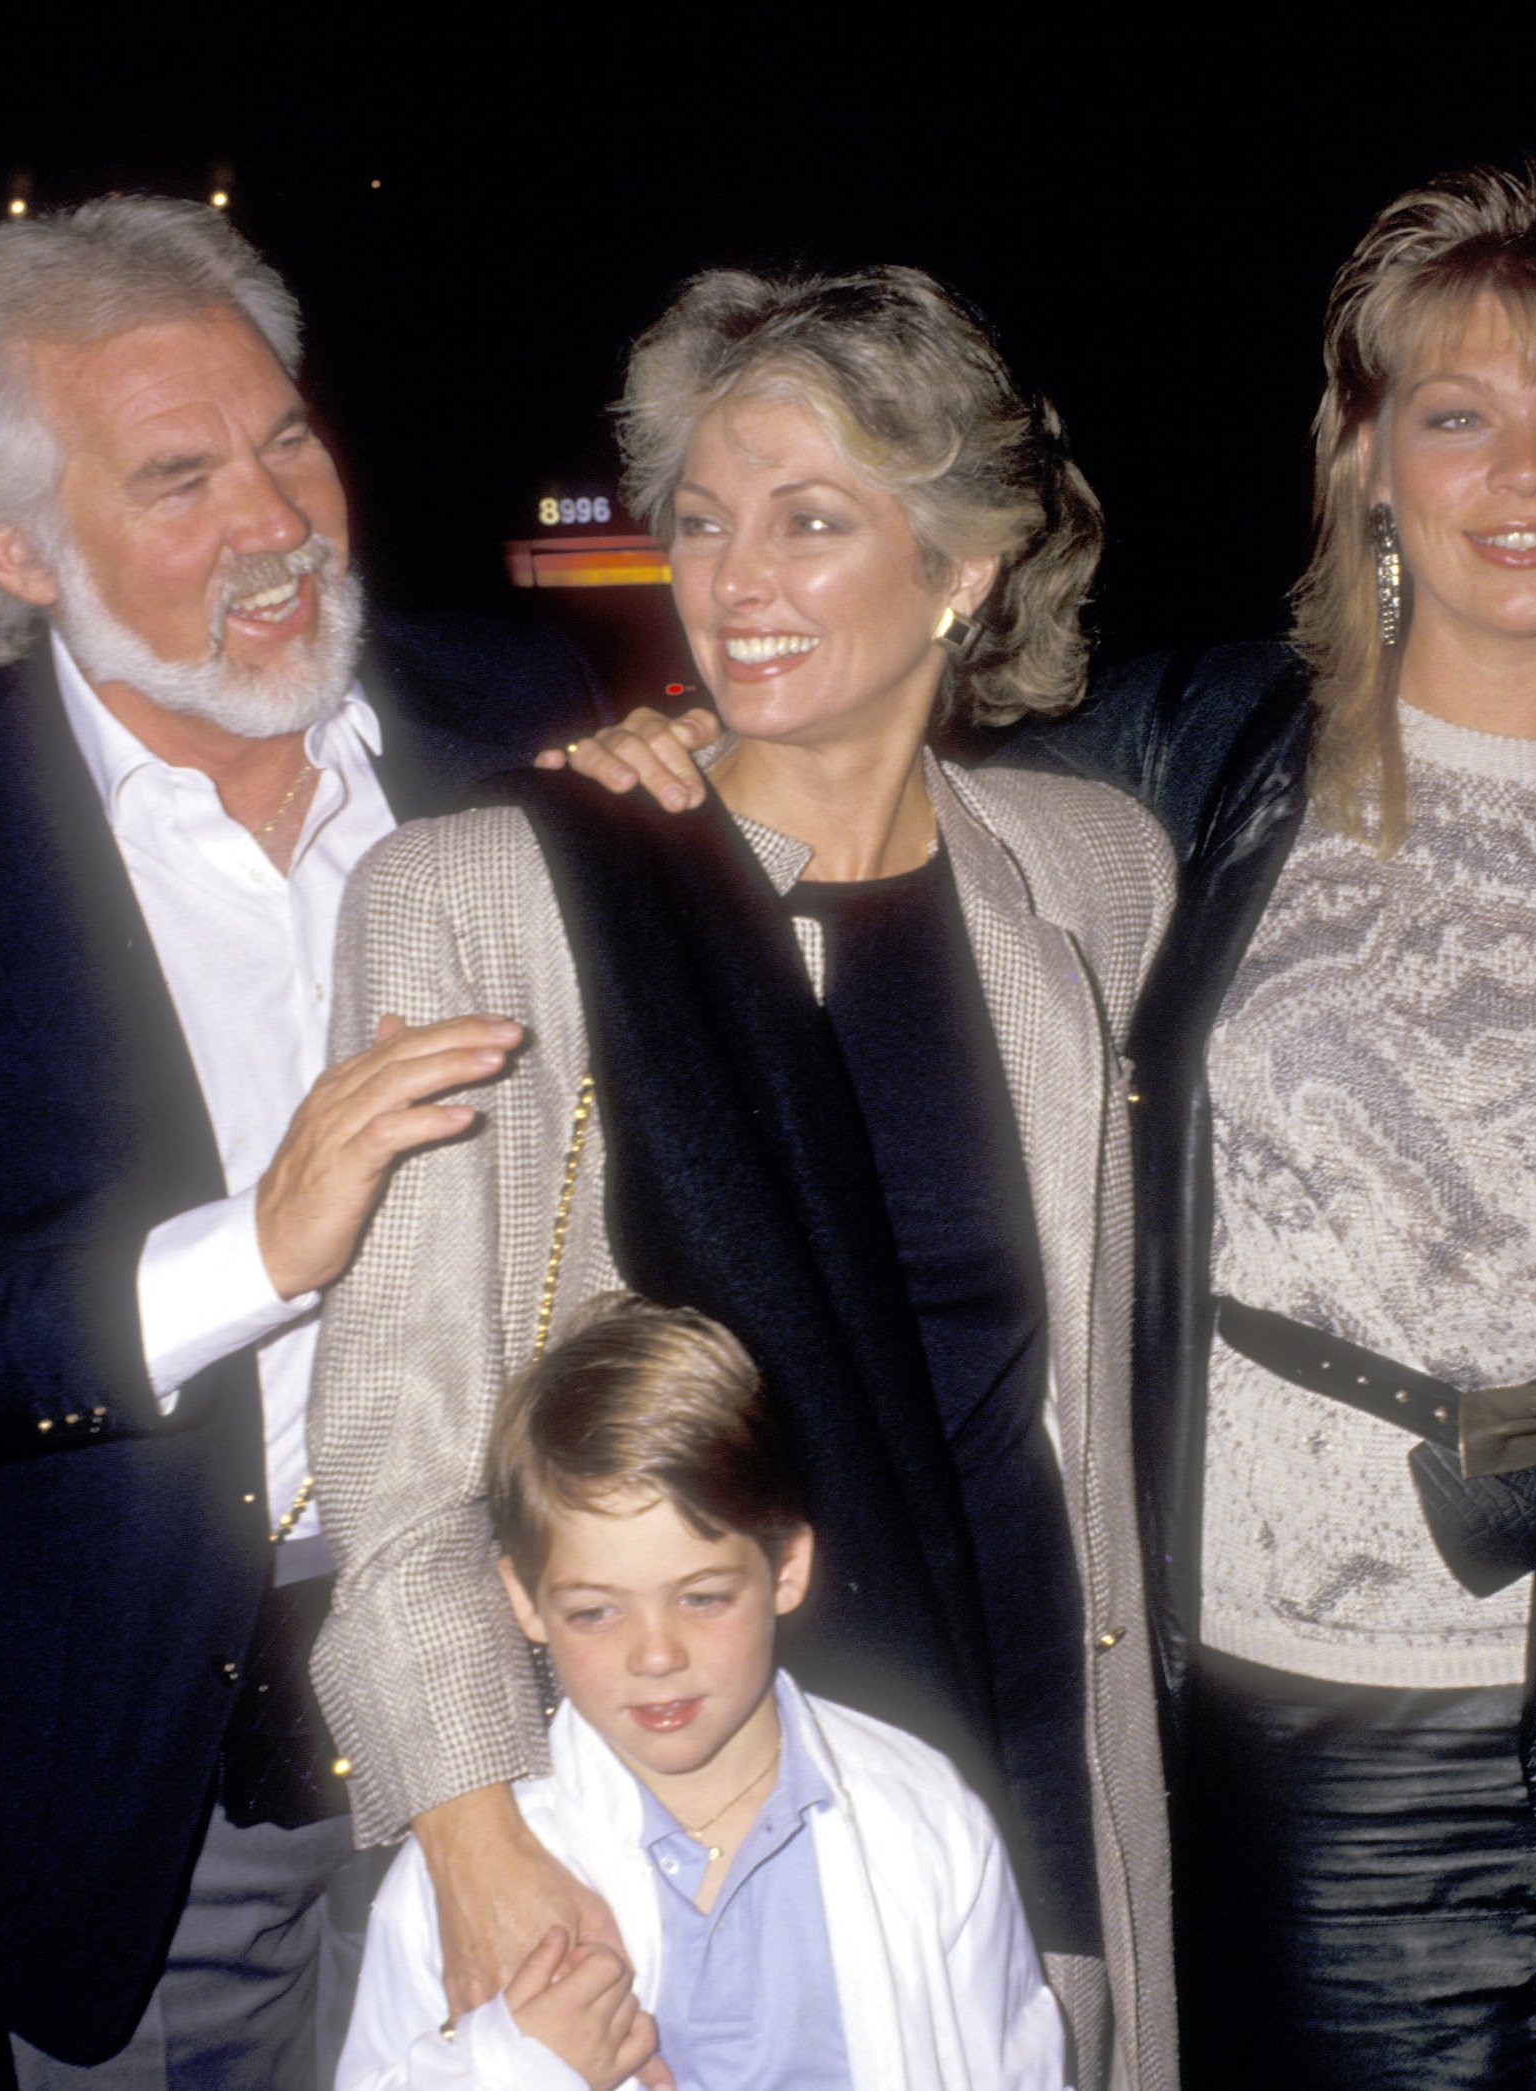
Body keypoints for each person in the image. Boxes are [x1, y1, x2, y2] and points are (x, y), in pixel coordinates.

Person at [564, 162, 1536, 2084]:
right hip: (1292, 1726)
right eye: (1456, 415)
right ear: (1367, 459)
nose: (1523, 475)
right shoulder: (1189, 757)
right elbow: (864, 769)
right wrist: (671, 759)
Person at [0, 195, 604, 2085]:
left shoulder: (527, 725)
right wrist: (249, 1254)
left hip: (540, 1654)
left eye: (285, 434)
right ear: (15, 548)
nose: (279, 522)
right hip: (150, 1758)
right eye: (179, 477)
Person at [311, 268, 1177, 2091]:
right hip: (658, 1799)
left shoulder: (1095, 876)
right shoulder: (499, 899)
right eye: (701, 522)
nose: (734, 579)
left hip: (1030, 1761)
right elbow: (394, 1448)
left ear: (961, 569)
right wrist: (475, 1837)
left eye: (810, 520)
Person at [338, 1293, 1065, 2090]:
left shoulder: (920, 1813)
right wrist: (515, 2066)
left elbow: (1014, 2068)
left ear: (785, 1567)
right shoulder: (469, 1885)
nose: (655, 1654)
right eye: (595, 1610)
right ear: (524, 1600)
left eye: (702, 1597)